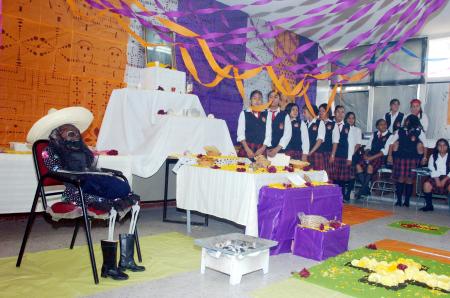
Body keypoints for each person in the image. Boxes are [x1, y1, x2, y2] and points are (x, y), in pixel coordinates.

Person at [388, 114, 427, 207]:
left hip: (412, 158)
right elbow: (391, 143)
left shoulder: (419, 131)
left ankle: (407, 201)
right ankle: (398, 200)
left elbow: (425, 145)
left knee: (409, 180)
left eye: (408, 120)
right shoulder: (400, 130)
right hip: (400, 157)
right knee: (400, 178)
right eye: (406, 120)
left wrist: (425, 157)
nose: (406, 122)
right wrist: (390, 155)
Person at [355, 119, 394, 199]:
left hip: (379, 157)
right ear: (377, 126)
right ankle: (366, 189)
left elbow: (384, 151)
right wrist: (366, 154)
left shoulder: (390, 135)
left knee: (370, 167)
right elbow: (368, 146)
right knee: (358, 166)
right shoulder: (374, 134)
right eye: (381, 124)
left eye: (385, 124)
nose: (383, 126)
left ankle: (361, 191)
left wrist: (370, 158)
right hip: (370, 155)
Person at [329, 105, 355, 201]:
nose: (340, 114)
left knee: (342, 178)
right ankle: (333, 196)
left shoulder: (348, 126)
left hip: (343, 155)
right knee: (333, 177)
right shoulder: (330, 124)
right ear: (334, 113)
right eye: (338, 112)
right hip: (332, 155)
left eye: (342, 112)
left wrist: (349, 158)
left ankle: (341, 196)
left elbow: (351, 143)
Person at [237, 90, 269, 158]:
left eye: (259, 98)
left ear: (262, 101)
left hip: (261, 148)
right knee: (243, 168)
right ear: (250, 101)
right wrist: (247, 149)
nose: (257, 100)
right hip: (247, 147)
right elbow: (240, 133)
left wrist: (262, 148)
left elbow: (269, 133)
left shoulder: (267, 114)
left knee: (261, 168)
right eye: (254, 98)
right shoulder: (244, 113)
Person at [421, 139, 450, 212]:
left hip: (448, 177)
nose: (442, 147)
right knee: (426, 185)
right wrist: (437, 180)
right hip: (436, 176)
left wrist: (444, 180)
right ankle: (429, 206)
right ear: (437, 147)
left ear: (447, 146)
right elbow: (431, 168)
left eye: (444, 145)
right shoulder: (433, 156)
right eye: (440, 145)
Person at [265, 90, 292, 157]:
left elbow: (287, 134)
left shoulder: (285, 115)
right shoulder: (263, 113)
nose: (273, 99)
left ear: (279, 100)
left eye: (275, 97)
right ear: (268, 99)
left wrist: (276, 149)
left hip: (280, 151)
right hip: (264, 151)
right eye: (271, 97)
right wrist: (264, 148)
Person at [344, 111, 362, 200]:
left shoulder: (357, 130)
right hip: (343, 154)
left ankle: (348, 194)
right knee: (343, 175)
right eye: (349, 118)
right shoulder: (343, 128)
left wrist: (350, 154)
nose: (351, 120)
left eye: (353, 118)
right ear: (346, 119)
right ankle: (342, 194)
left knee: (351, 175)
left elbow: (358, 144)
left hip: (353, 154)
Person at [302, 104, 325, 170]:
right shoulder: (304, 123)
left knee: (316, 174)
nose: (303, 114)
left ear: (310, 112)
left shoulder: (320, 123)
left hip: (316, 153)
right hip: (305, 153)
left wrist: (310, 152)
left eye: (304, 112)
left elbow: (320, 140)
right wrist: (305, 153)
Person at [318, 103, 335, 174]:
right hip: (318, 153)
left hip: (327, 153)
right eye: (320, 111)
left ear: (327, 112)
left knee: (326, 175)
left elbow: (335, 142)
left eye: (323, 111)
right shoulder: (316, 123)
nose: (321, 113)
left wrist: (332, 155)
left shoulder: (333, 124)